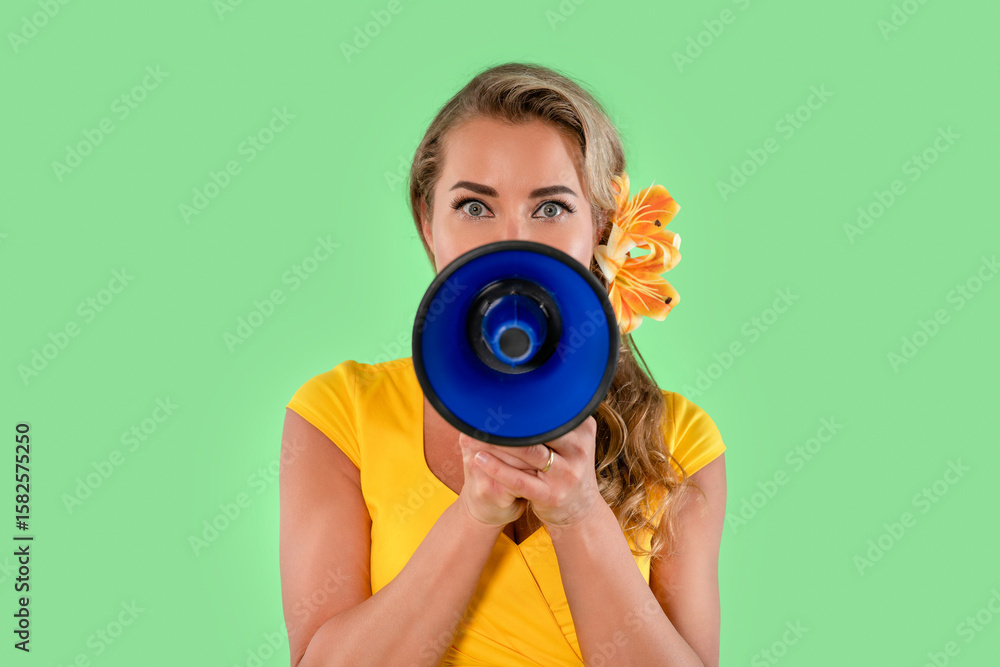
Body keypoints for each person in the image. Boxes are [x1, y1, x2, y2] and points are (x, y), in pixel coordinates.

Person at [280, 62, 727, 667]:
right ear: (426, 223)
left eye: (550, 209)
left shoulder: (681, 441)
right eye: (473, 206)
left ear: (599, 228)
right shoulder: (340, 415)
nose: (510, 239)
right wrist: (475, 514)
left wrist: (578, 516)